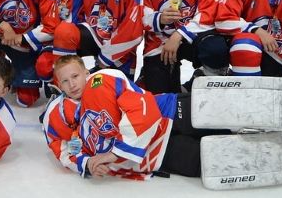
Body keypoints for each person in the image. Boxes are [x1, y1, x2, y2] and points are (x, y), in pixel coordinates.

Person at [42, 55, 216, 179]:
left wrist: (115, 153)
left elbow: (141, 110)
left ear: (86, 73)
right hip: (154, 151)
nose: (72, 84)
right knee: (205, 161)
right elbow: (64, 149)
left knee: (217, 116)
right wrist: (87, 164)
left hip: (167, 111)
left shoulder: (101, 81)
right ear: (59, 85)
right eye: (65, 81)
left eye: (75, 76)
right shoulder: (56, 114)